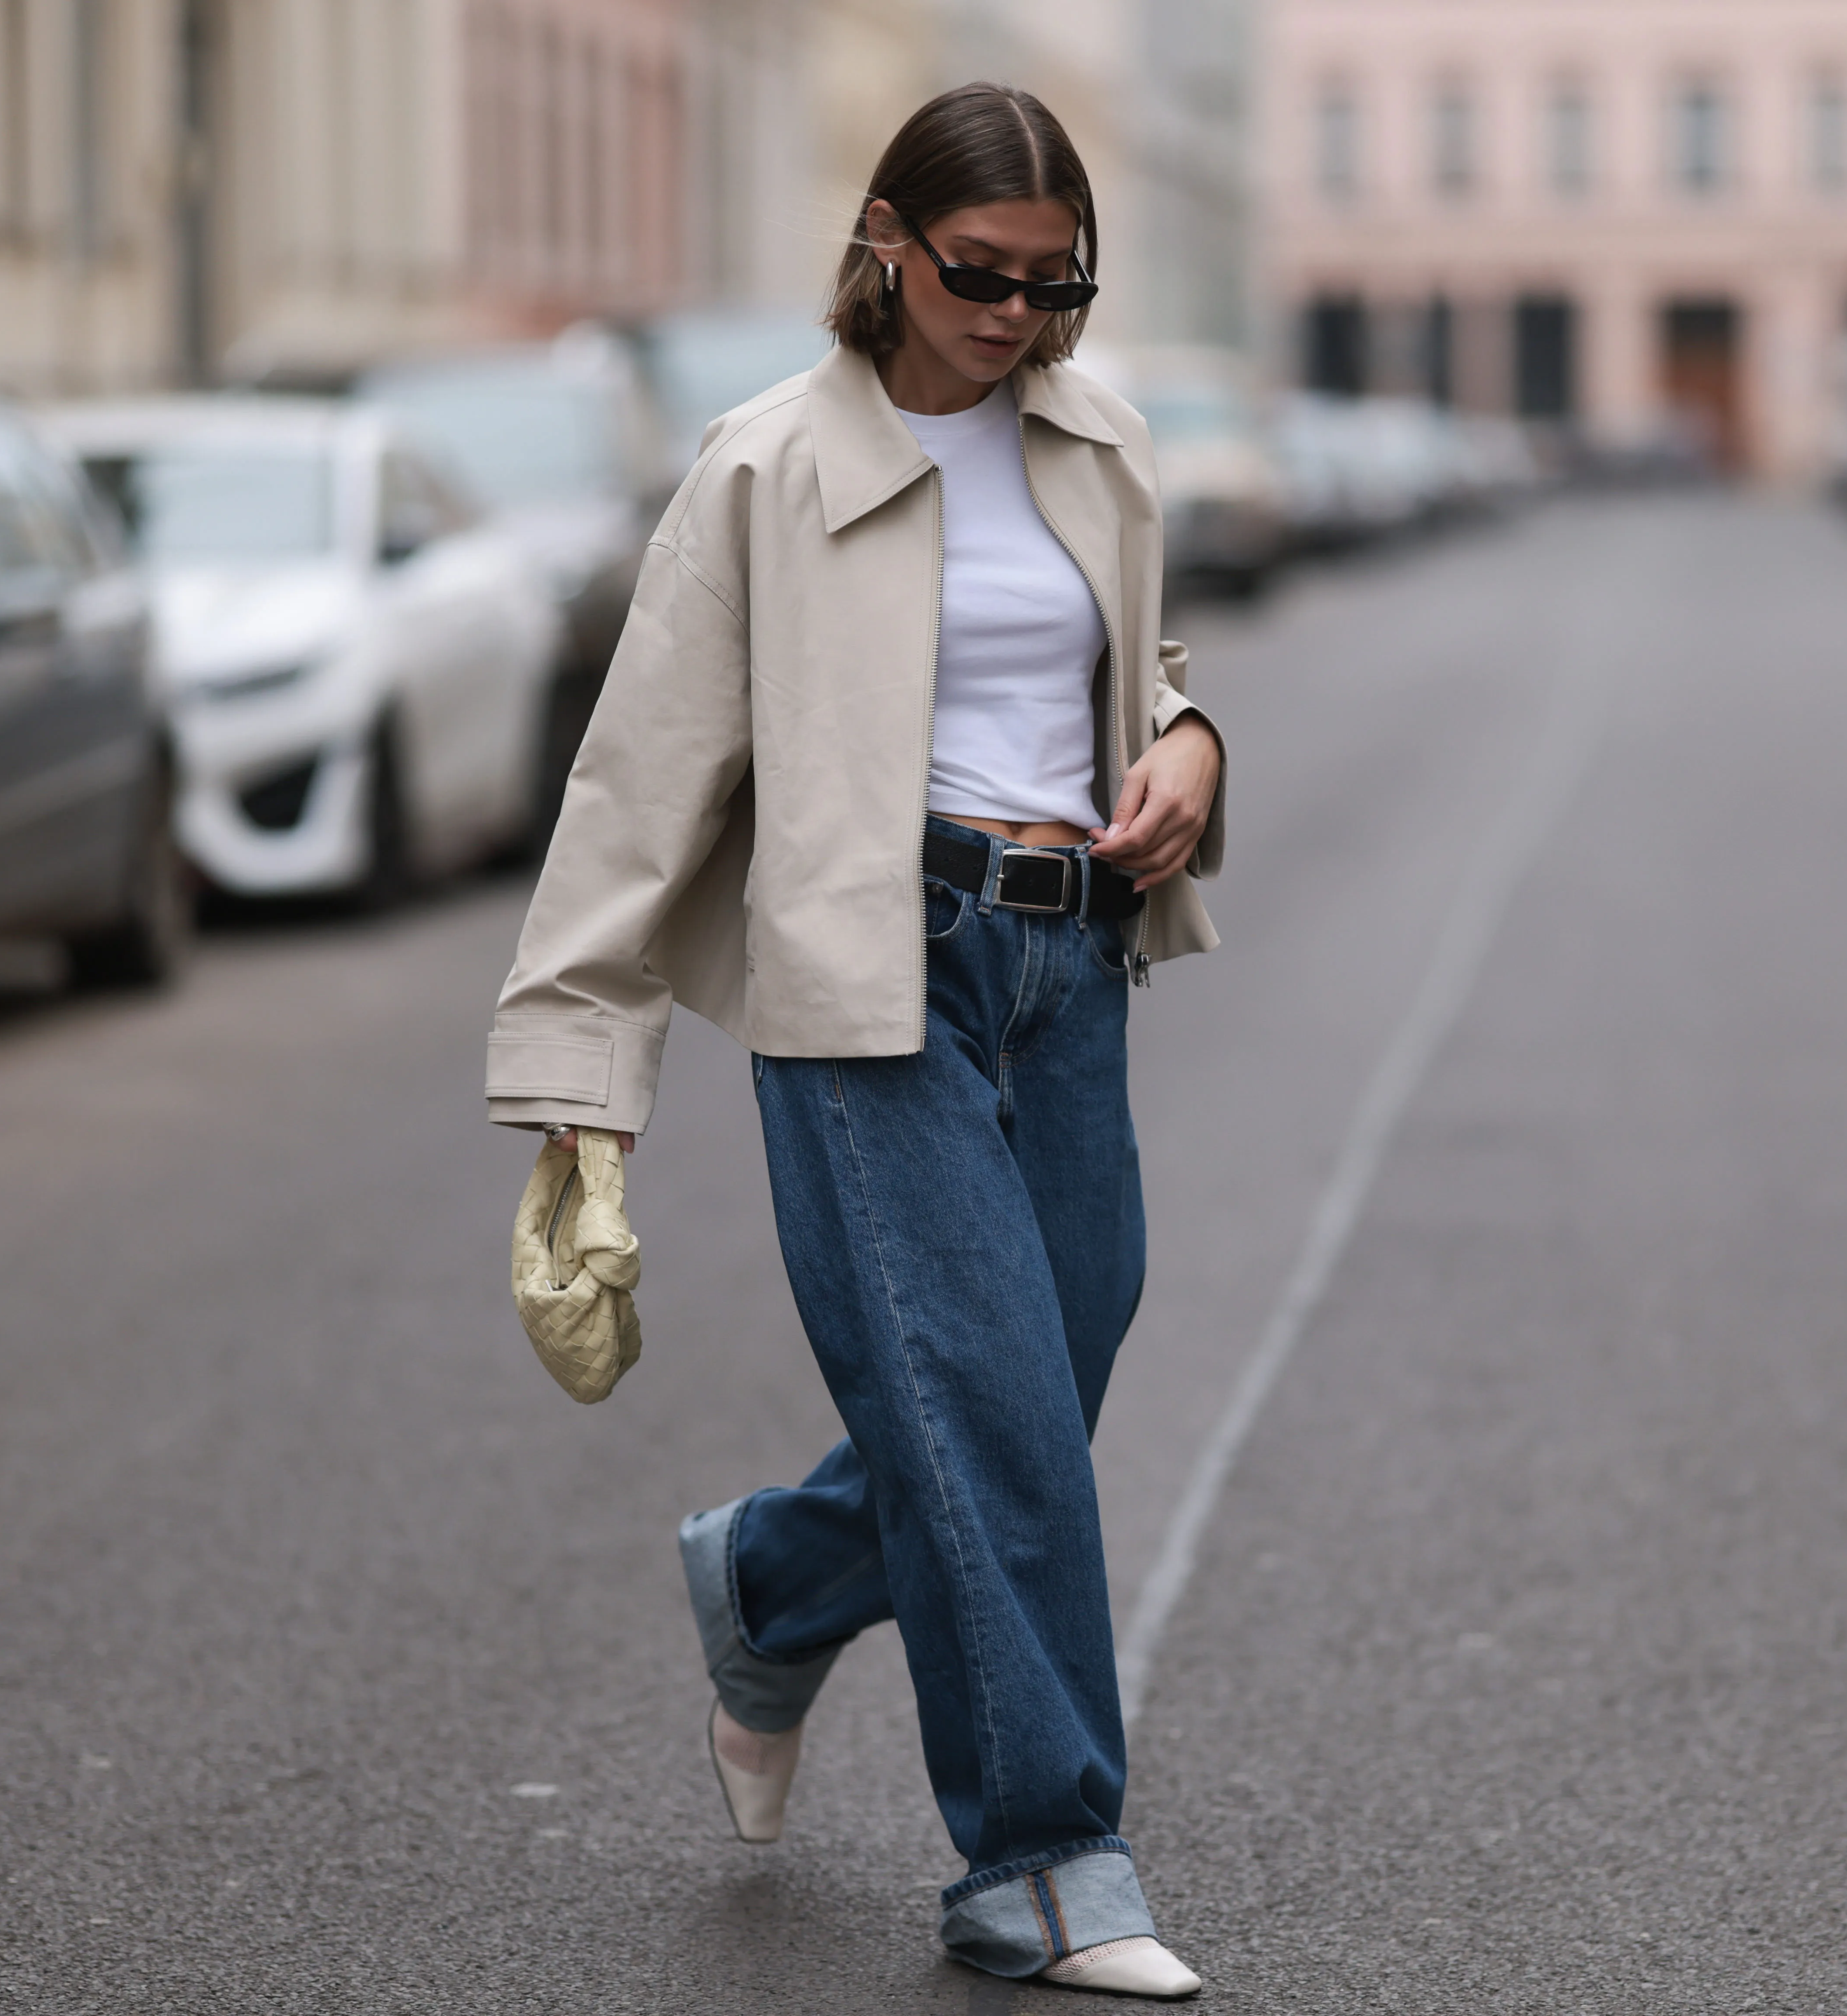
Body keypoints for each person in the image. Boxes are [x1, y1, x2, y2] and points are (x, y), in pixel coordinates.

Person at [483, 82, 1225, 1999]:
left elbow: (1140, 673)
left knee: (1047, 1368)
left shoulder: (1098, 439)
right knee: (981, 1398)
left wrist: (1192, 749)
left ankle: (777, 1580)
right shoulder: (761, 465)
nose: (1015, 317)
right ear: (883, 237)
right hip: (868, 960)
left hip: (1072, 963)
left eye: (1055, 284)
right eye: (980, 276)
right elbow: (636, 785)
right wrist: (581, 1083)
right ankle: (1041, 1854)